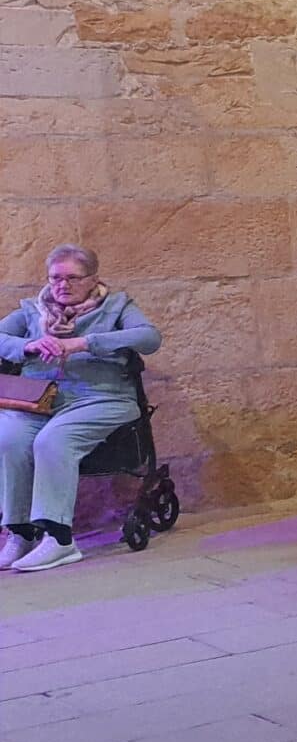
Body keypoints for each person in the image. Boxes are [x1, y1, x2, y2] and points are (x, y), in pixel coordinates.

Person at [0, 246, 163, 574]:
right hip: (40, 400)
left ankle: (60, 540)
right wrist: (27, 345)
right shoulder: (33, 309)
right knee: (10, 437)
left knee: (53, 441)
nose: (63, 285)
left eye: (73, 278)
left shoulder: (116, 306)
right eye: (56, 278)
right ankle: (21, 533)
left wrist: (85, 343)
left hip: (101, 398)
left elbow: (149, 338)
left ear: (92, 279)